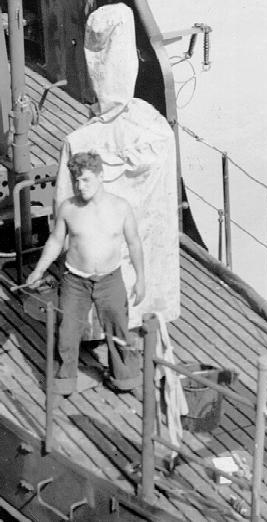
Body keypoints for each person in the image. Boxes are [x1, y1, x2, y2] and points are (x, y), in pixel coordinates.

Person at [27, 151, 145, 396]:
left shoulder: (121, 208)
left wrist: (141, 279)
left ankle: (125, 379)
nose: (80, 186)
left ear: (101, 176)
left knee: (119, 331)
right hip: (74, 281)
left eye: (86, 180)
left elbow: (134, 243)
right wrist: (38, 270)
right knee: (67, 331)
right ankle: (63, 382)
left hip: (110, 279)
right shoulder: (68, 208)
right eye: (76, 181)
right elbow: (56, 241)